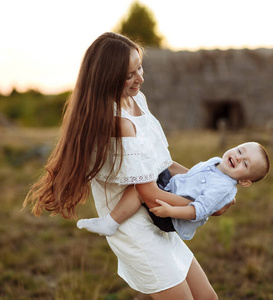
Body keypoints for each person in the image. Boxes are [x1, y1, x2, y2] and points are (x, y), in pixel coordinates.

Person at [23, 32, 222, 299]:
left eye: (139, 66)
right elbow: (148, 193)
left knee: (207, 297)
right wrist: (203, 206)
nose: (140, 77)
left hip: (160, 219)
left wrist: (208, 183)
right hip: (134, 228)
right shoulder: (118, 123)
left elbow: (164, 163)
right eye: (129, 74)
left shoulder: (137, 100)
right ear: (107, 79)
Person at [77, 142, 270, 240]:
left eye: (245, 163)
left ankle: (110, 223)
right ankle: (101, 167)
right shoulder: (216, 162)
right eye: (240, 151)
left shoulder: (224, 188)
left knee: (140, 186)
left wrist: (170, 211)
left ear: (244, 181)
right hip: (173, 189)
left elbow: (198, 210)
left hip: (174, 216)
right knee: (150, 166)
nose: (237, 157)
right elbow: (190, 177)